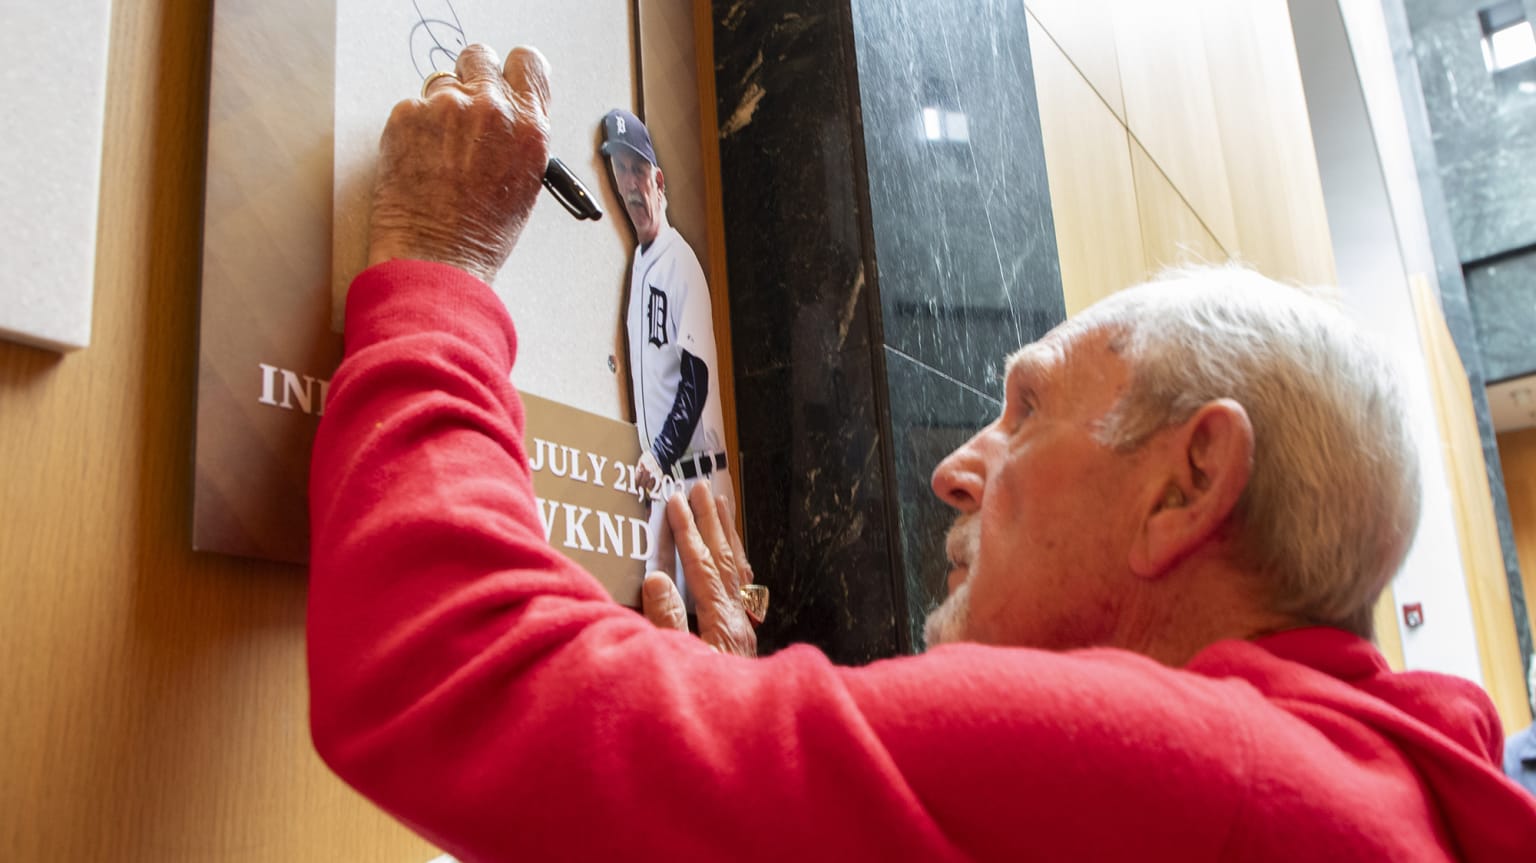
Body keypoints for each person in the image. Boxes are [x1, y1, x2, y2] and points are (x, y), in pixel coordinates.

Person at [307, 43, 1536, 860]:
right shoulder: (1359, 784)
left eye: (1028, 412)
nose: (957, 466)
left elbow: (443, 675)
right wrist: (737, 737)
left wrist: (438, 264)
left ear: (1188, 482)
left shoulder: (1190, 769)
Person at [599, 106, 734, 594]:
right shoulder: (641, 262)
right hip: (667, 487)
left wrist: (656, 454)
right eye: (621, 170)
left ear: (658, 179)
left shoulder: (681, 264)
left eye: (638, 169)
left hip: (699, 483)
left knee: (714, 625)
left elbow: (694, 380)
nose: (631, 184)